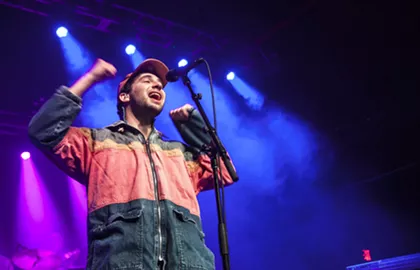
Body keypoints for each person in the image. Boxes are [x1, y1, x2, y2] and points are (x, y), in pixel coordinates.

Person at [28, 58, 235, 270]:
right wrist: (90, 78)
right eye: (147, 80)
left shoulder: (178, 152)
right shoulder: (97, 142)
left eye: (160, 85)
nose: (157, 86)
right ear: (125, 96)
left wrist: (193, 127)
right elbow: (43, 130)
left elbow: (226, 172)